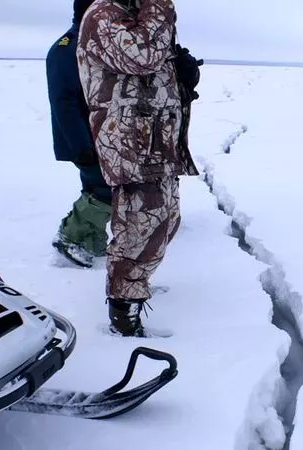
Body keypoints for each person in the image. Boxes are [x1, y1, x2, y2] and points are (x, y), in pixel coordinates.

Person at [77, 0, 201, 337]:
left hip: (156, 140)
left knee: (165, 221)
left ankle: (136, 283)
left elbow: (150, 72)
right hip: (131, 145)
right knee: (139, 227)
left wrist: (182, 76)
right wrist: (159, 7)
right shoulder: (103, 14)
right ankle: (123, 313)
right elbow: (141, 57)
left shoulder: (135, 17)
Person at [46, 0, 113, 269]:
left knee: (96, 186)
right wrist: (80, 145)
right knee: (103, 189)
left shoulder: (90, 43)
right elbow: (64, 101)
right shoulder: (67, 48)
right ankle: (69, 238)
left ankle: (92, 241)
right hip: (83, 137)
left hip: (98, 135)